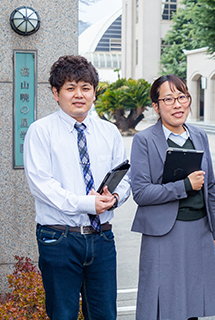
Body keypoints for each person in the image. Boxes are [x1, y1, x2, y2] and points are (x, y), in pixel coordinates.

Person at [24, 55, 131, 319]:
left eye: (85, 87)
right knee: (63, 314)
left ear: (94, 92)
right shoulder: (41, 131)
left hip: (102, 237)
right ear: (55, 93)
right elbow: (41, 185)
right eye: (70, 88)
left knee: (105, 314)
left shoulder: (109, 132)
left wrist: (115, 197)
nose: (79, 94)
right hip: (59, 238)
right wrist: (87, 204)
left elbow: (125, 177)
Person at [130, 74, 215, 320]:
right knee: (164, 305)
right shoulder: (144, 140)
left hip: (199, 231)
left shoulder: (199, 136)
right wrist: (184, 186)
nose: (177, 104)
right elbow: (140, 192)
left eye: (182, 97)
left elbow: (210, 188)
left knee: (193, 301)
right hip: (163, 233)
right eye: (168, 99)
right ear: (156, 106)